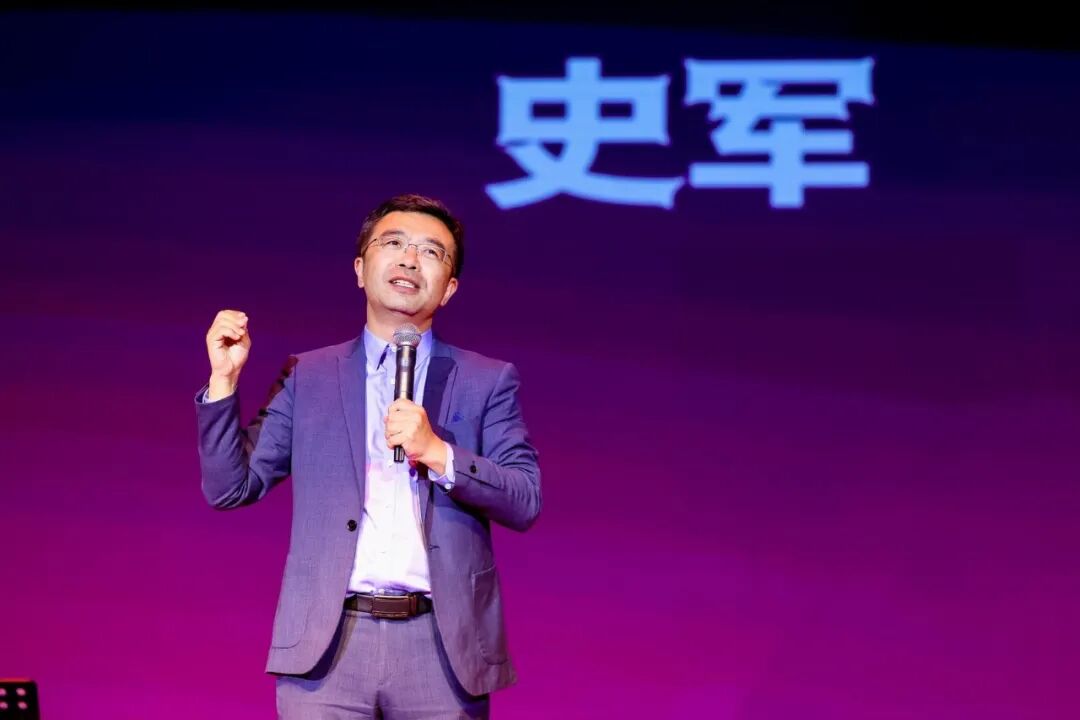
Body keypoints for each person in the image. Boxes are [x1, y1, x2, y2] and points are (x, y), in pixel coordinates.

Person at [195, 194, 542, 719]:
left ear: (449, 288)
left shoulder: (487, 380)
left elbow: (525, 498)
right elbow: (230, 488)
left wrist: (439, 453)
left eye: (431, 251)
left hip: (441, 648)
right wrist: (224, 382)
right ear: (360, 269)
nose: (409, 259)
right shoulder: (308, 375)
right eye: (393, 243)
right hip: (327, 647)